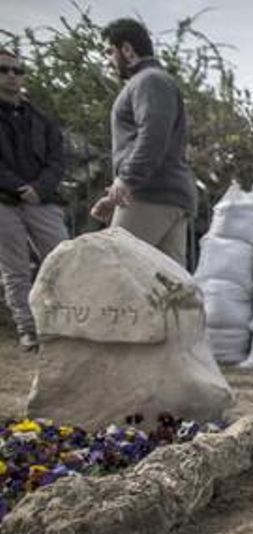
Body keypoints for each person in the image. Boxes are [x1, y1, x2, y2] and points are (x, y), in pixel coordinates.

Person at [90, 18, 196, 267]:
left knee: (115, 272)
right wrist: (115, 196)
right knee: (167, 290)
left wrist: (126, 180)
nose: (108, 60)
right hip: (164, 195)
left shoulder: (149, 81)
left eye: (110, 51)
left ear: (127, 49)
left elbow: (153, 136)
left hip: (150, 195)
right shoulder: (155, 81)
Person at [0, 49, 67, 352]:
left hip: (43, 201)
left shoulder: (41, 118)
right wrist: (18, 188)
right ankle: (29, 331)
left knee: (63, 262)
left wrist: (38, 188)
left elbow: (57, 158)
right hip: (4, 202)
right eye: (4, 69)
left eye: (18, 69)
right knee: (15, 269)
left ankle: (65, 326)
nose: (12, 75)